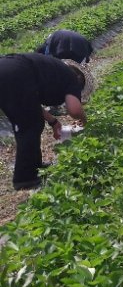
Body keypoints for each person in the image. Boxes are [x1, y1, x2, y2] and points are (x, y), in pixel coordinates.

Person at [0, 53, 93, 190]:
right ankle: (26, 179)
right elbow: (74, 110)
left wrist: (54, 122)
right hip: (15, 74)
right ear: (80, 80)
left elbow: (33, 105)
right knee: (29, 126)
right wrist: (84, 120)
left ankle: (36, 167)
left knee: (34, 121)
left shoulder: (55, 72)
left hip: (8, 68)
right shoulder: (72, 79)